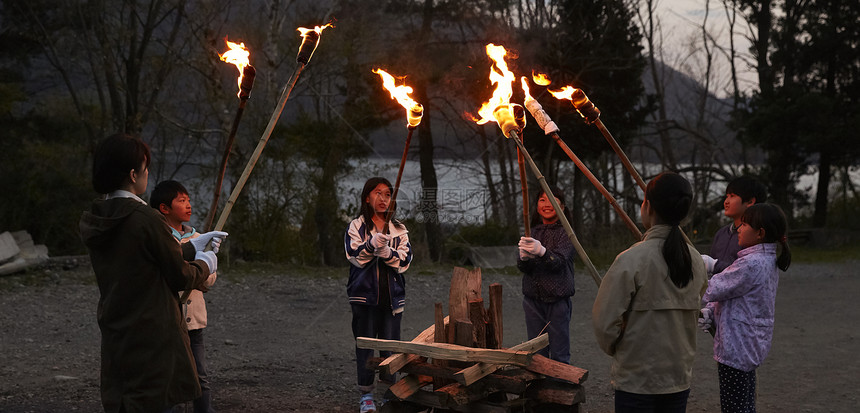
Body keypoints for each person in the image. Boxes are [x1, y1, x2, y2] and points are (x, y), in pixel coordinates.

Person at [79, 133, 227, 413]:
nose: (148, 174)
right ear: (133, 174)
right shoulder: (145, 218)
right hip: (152, 333)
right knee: (154, 402)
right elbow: (180, 276)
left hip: (118, 327)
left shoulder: (100, 217)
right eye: (145, 168)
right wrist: (205, 262)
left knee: (128, 400)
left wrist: (191, 246)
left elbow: (142, 259)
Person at [592, 171, 708, 412]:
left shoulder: (631, 260)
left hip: (637, 381)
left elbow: (605, 324)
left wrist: (619, 348)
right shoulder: (696, 260)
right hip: (678, 377)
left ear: (648, 207)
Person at [698, 203, 791, 413]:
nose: (739, 228)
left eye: (745, 224)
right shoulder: (766, 259)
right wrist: (711, 310)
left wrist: (699, 271)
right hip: (749, 345)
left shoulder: (751, 264)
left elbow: (712, 288)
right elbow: (731, 293)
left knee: (734, 407)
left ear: (760, 233)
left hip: (736, 348)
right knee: (744, 404)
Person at [344, 177, 413, 413]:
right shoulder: (357, 226)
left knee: (390, 348)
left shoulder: (399, 229)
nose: (383, 199)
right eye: (377, 193)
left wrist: (386, 251)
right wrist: (371, 245)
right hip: (364, 297)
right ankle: (366, 396)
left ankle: (389, 395)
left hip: (392, 298)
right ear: (367, 197)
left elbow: (404, 262)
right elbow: (355, 256)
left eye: (387, 194)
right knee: (365, 346)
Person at [150, 180, 217, 413]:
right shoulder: (158, 240)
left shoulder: (198, 236)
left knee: (200, 376)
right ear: (164, 208)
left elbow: (209, 279)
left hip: (194, 322)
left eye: (188, 200)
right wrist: (192, 268)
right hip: (168, 322)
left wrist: (206, 265)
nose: (188, 205)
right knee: (169, 376)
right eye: (181, 201)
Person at [516, 185, 576, 364]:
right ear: (536, 206)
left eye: (552, 200)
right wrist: (524, 259)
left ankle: (561, 385)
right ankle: (539, 386)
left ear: (562, 206)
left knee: (559, 350)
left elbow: (558, 262)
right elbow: (523, 268)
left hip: (557, 301)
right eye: (542, 200)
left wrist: (542, 251)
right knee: (536, 350)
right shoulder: (532, 232)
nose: (547, 204)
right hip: (532, 300)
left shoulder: (567, 232)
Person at [703, 176, 767, 275]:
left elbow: (746, 272)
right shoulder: (721, 233)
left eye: (732, 196)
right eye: (727, 196)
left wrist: (713, 264)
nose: (726, 202)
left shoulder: (756, 236)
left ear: (750, 201)